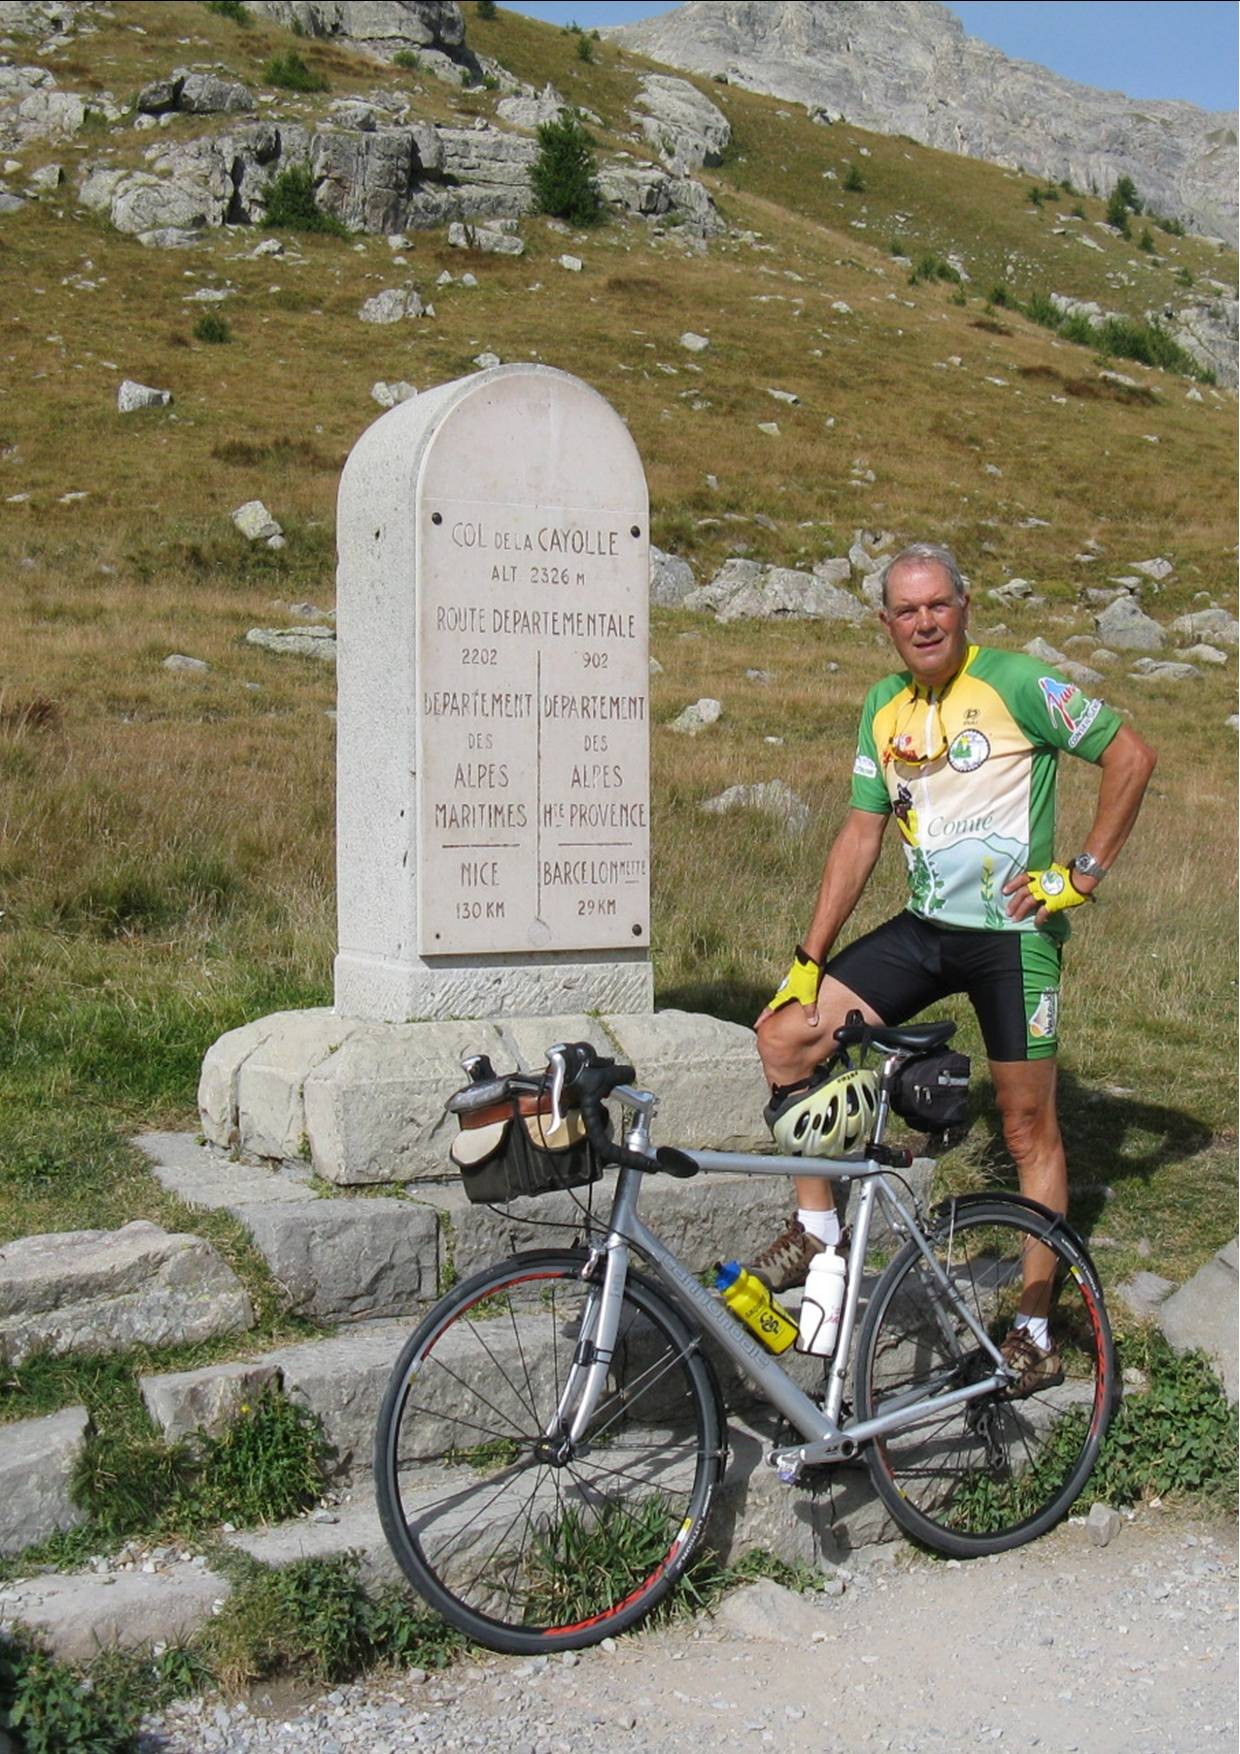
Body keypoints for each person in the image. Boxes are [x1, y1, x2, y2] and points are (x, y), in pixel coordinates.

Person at [749, 541, 1156, 1392]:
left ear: (964, 608)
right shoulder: (883, 704)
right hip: (928, 927)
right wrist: (808, 957)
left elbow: (1130, 755)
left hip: (1013, 936)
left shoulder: (1015, 684)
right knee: (788, 1036)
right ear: (886, 623)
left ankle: (1037, 1330)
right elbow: (863, 831)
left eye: (938, 605)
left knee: (1022, 1126)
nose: (924, 621)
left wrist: (1081, 873)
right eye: (907, 610)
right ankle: (818, 1236)